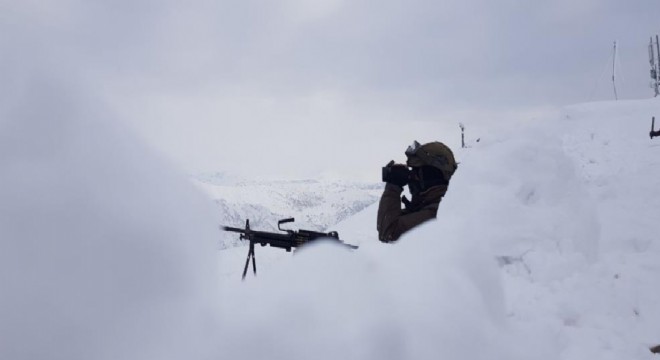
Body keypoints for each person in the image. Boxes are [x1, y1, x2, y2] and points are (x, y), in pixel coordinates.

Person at [377, 140, 457, 242]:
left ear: (432, 174)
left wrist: (393, 186)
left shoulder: (435, 214)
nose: (412, 177)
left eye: (417, 171)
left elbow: (388, 234)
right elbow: (387, 225)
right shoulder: (429, 204)